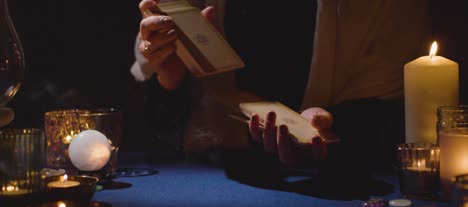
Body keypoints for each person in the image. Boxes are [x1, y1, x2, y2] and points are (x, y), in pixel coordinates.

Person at [131, 0, 430, 175]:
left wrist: (331, 125)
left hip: (336, 181)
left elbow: (384, 115)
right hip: (212, 176)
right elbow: (157, 129)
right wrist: (169, 79)